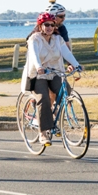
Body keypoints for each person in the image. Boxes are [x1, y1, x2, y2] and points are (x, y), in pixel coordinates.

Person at [21, 12, 82, 146]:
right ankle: (43, 133)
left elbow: (67, 53)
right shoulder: (34, 39)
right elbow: (35, 55)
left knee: (66, 92)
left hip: (55, 72)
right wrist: (38, 67)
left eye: (52, 25)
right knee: (43, 99)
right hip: (38, 74)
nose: (49, 27)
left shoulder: (58, 39)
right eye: (46, 25)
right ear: (40, 26)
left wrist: (76, 65)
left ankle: (54, 117)